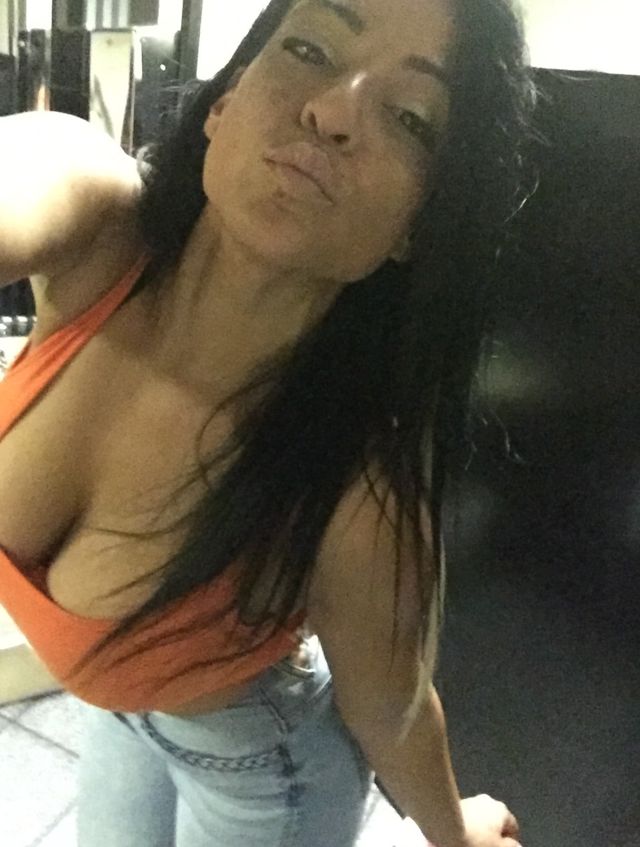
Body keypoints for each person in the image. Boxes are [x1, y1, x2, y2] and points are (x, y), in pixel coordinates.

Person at [0, 0, 538, 845]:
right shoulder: (96, 224)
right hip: (126, 709)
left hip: (261, 767)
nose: (333, 111)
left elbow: (393, 710)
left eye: (409, 116)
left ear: (415, 228)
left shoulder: (358, 487)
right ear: (224, 102)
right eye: (311, 48)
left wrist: (453, 835)